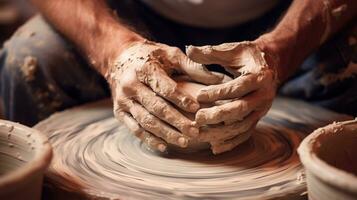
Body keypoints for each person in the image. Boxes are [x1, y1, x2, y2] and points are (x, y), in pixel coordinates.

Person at [0, 0, 356, 153]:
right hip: (124, 13)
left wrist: (280, 52)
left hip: (289, 14)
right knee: (30, 59)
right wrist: (115, 52)